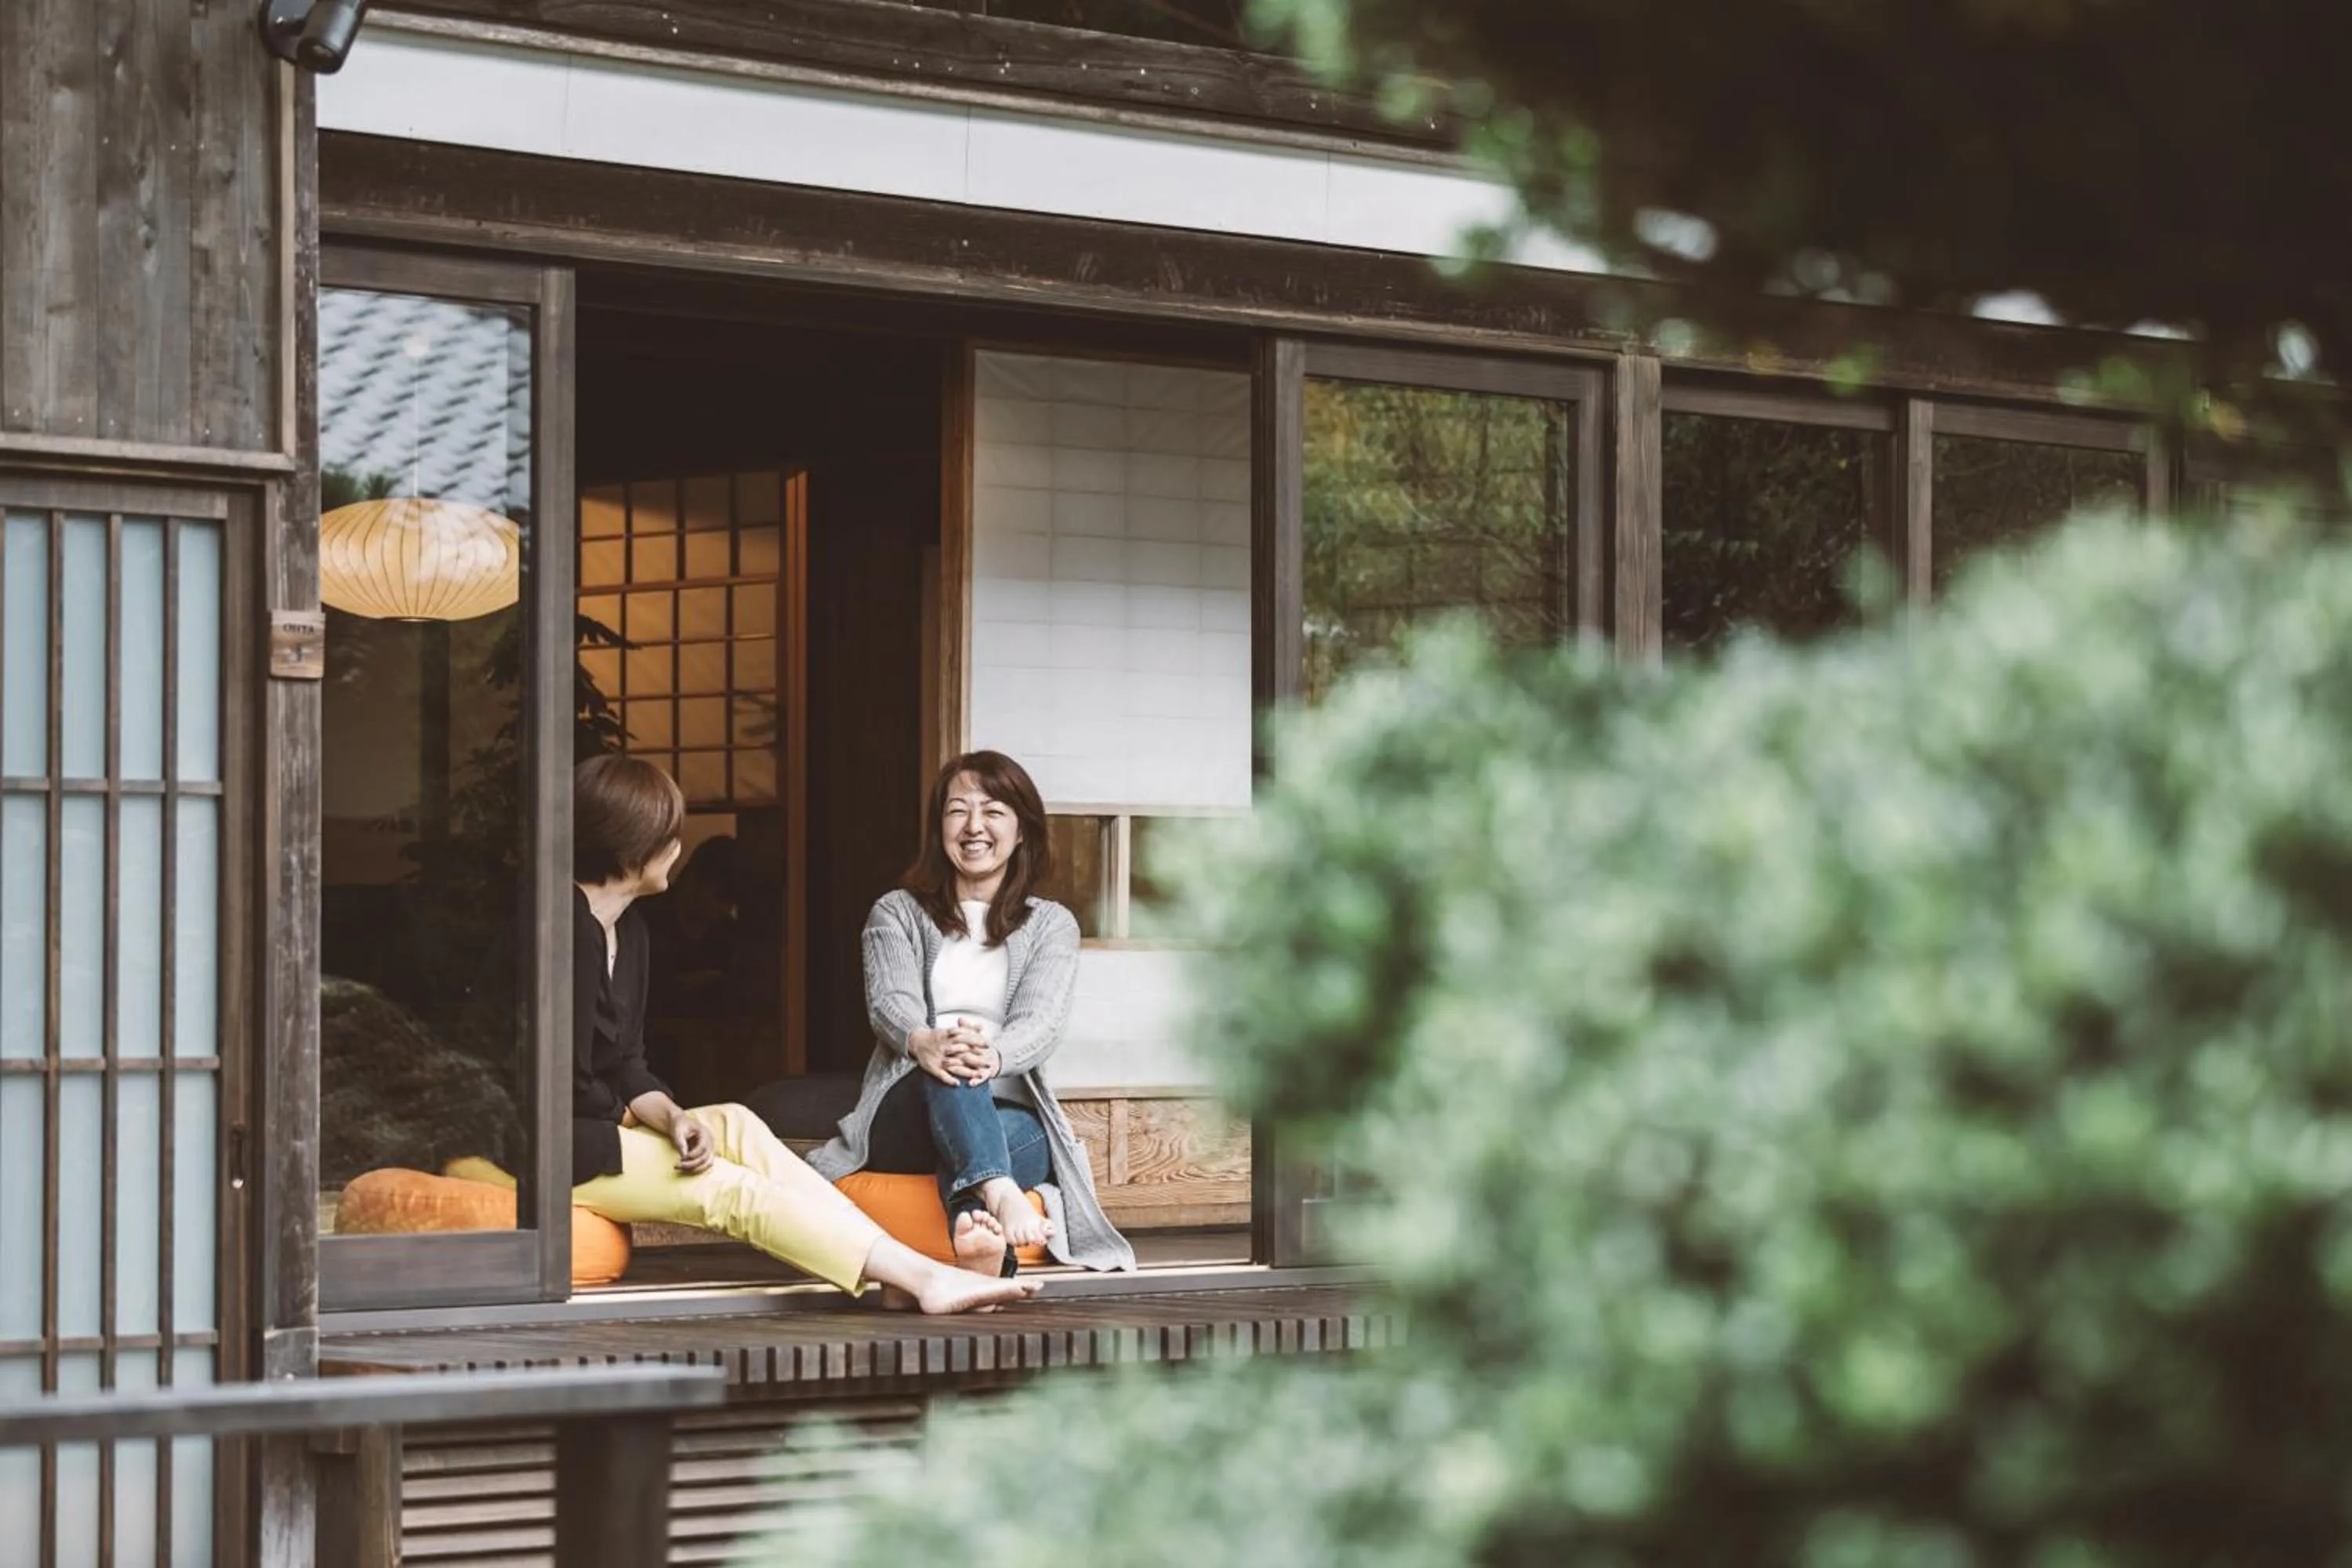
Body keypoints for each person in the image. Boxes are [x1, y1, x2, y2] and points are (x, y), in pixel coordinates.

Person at [566, 753, 1036, 1315]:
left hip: (593, 1127)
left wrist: (671, 1117)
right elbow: (561, 1092)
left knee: (736, 1123)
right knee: (727, 1188)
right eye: (671, 831)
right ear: (634, 843)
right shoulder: (564, 930)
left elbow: (625, 1063)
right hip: (551, 1146)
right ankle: (925, 1277)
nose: (680, 843)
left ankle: (900, 1273)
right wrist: (631, 1126)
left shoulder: (630, 930)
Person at [810, 751, 1137, 1279]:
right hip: (907, 1106)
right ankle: (1000, 1194)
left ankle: (974, 1224)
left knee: (1024, 1138)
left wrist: (994, 1054)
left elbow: (1042, 1021)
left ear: (1022, 830)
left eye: (994, 811)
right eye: (958, 811)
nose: (974, 827)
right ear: (939, 827)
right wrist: (926, 1042)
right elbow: (890, 1002)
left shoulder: (1051, 925)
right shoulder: (897, 911)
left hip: (1005, 1111)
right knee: (952, 1065)